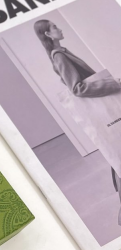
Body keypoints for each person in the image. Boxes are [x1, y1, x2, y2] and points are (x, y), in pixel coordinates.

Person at [34, 19, 121, 223]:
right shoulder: (59, 56)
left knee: (117, 156)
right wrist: (115, 84)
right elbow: (77, 88)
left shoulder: (62, 52)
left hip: (108, 114)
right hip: (106, 112)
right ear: (48, 34)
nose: (59, 28)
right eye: (54, 27)